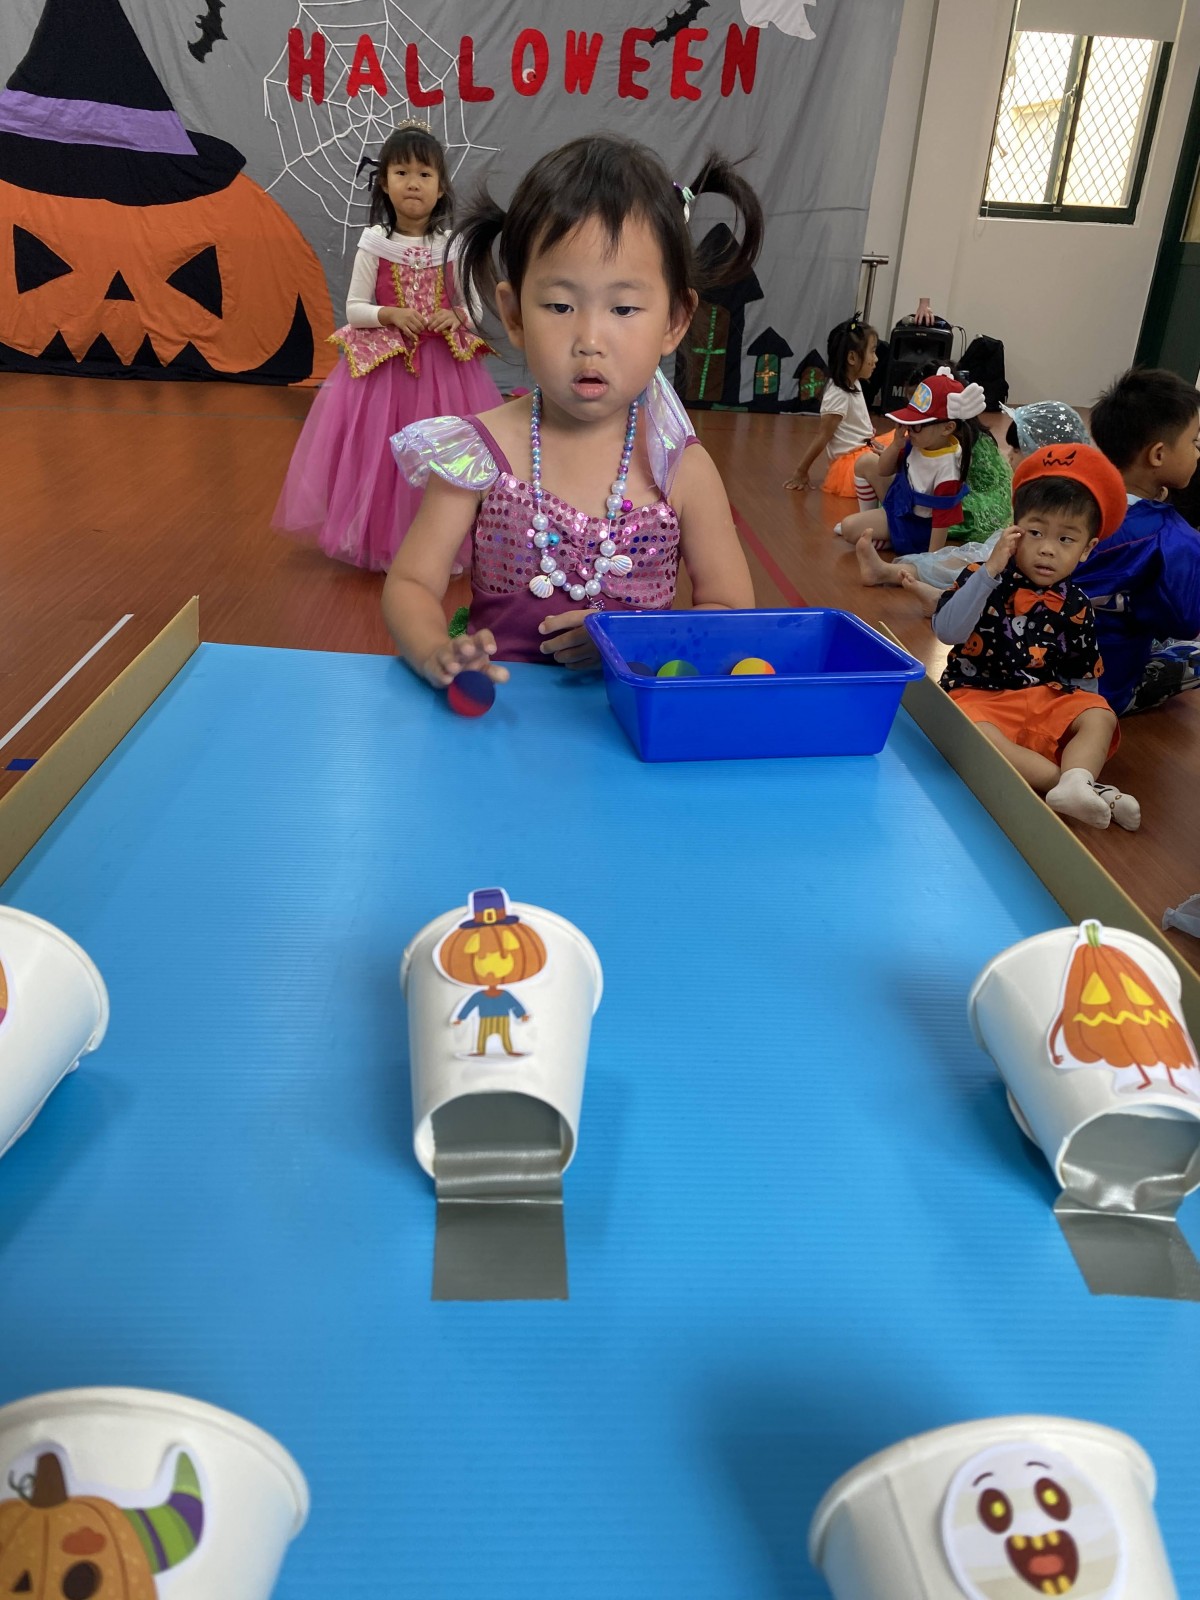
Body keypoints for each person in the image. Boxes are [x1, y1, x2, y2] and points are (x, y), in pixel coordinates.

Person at [381, 134, 760, 685]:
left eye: (624, 308)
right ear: (514, 314)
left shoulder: (682, 469)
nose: (589, 340)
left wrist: (624, 638)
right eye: (560, 305)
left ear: (674, 321)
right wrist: (435, 652)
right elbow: (411, 583)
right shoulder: (477, 453)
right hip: (501, 716)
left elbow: (732, 614)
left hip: (629, 724)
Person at [272, 121, 502, 572]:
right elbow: (355, 308)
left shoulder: (452, 245)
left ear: (441, 187)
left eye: (424, 174)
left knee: (441, 457)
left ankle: (443, 543)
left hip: (444, 374)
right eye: (401, 173)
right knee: (381, 457)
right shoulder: (375, 243)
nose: (413, 183)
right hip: (387, 375)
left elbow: (473, 305)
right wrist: (391, 315)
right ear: (383, 183)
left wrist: (454, 315)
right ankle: (382, 541)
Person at [933, 444, 1138, 830]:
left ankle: (1077, 782)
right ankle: (1080, 787)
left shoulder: (1077, 603)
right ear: (1014, 530)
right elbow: (947, 631)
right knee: (976, 735)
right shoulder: (982, 574)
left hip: (1043, 699)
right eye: (1036, 532)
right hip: (978, 697)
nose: (1046, 549)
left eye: (1066, 539)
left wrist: (1082, 717)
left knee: (1100, 715)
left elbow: (1083, 675)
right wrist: (988, 574)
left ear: (1087, 549)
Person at [857, 400, 1086, 605]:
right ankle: (890, 573)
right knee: (960, 560)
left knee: (974, 571)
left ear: (1042, 453)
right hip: (1007, 548)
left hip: (1018, 565)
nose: (1010, 455)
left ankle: (938, 599)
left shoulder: (1057, 504)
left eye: (1017, 449)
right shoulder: (1033, 490)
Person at [1077, 367, 1200, 713]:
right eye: (1194, 442)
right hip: (1104, 690)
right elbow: (1185, 623)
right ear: (1158, 455)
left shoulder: (1068, 499)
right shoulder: (1172, 538)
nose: (1197, 453)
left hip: (1029, 668)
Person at [833, 368, 990, 554]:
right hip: (899, 503)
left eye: (917, 425)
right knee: (865, 462)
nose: (909, 429)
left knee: (849, 528)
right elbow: (883, 470)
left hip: (913, 527)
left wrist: (930, 559)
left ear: (947, 428)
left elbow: (941, 522)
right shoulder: (921, 442)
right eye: (909, 423)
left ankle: (891, 541)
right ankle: (869, 523)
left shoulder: (947, 469)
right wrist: (895, 445)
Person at [783, 318, 890, 505]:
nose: (876, 359)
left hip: (864, 449)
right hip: (850, 464)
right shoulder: (838, 393)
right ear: (852, 358)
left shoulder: (853, 382)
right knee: (875, 463)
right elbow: (823, 436)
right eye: (872, 352)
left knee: (903, 439)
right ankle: (893, 505)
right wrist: (801, 471)